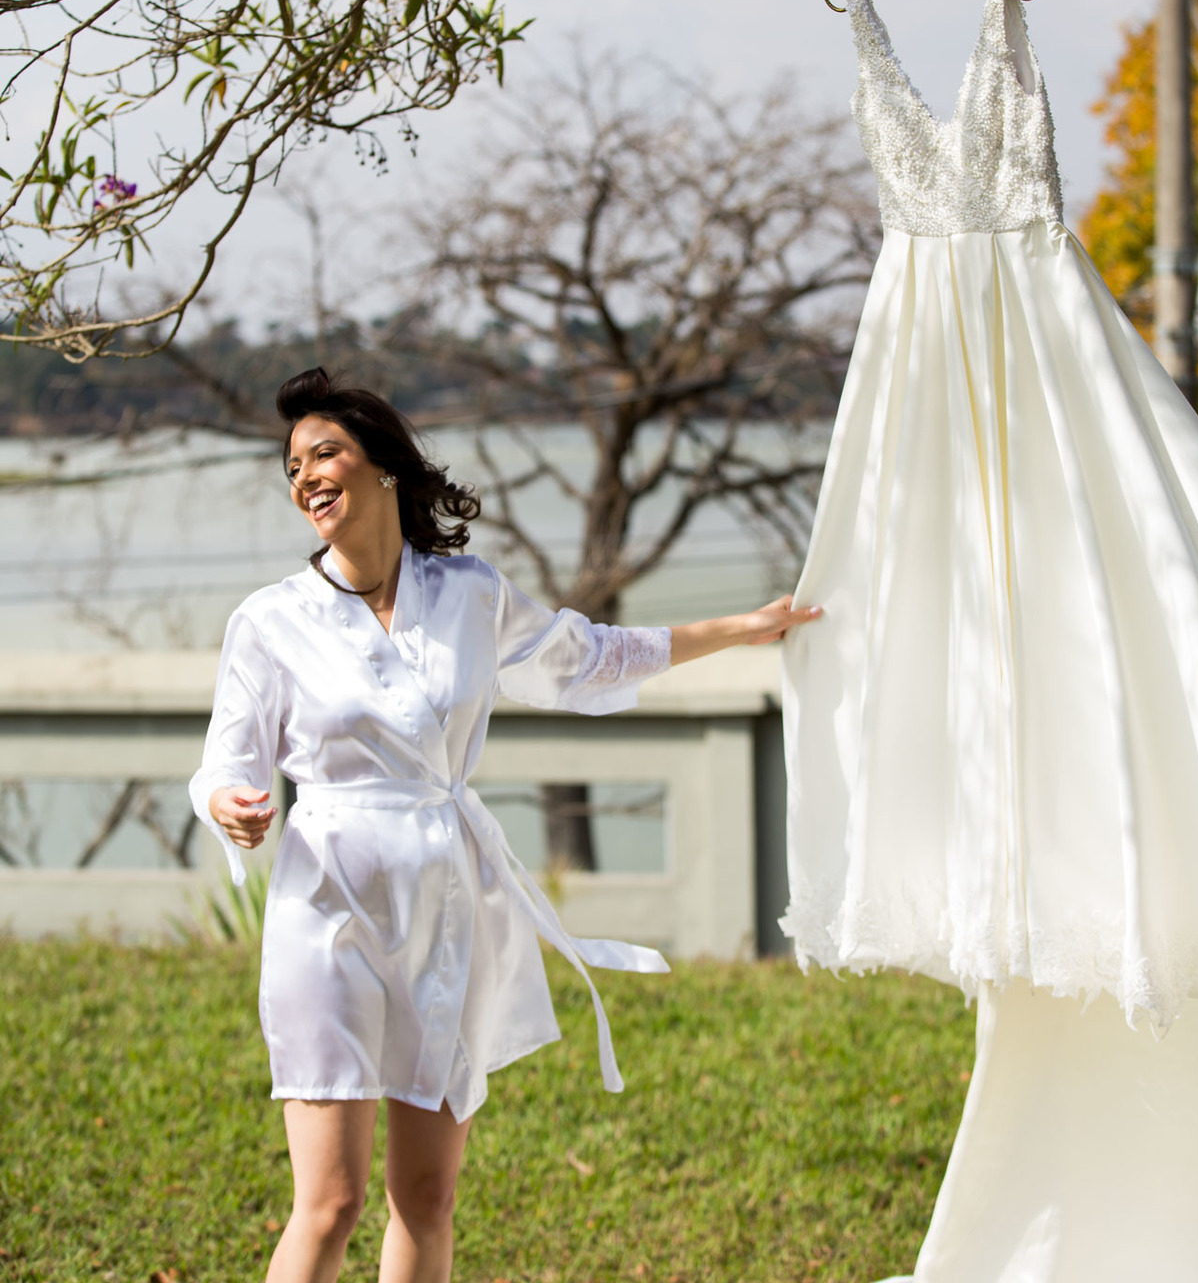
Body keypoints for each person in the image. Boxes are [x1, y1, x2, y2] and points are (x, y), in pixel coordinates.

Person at [190, 366, 816, 1283]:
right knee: (330, 1202)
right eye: (292, 466)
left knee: (427, 1199)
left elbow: (591, 657)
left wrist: (736, 627)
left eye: (326, 452)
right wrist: (231, 808)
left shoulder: (469, 594)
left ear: (385, 469)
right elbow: (225, 762)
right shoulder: (269, 622)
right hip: (327, 906)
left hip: (449, 903)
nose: (306, 476)